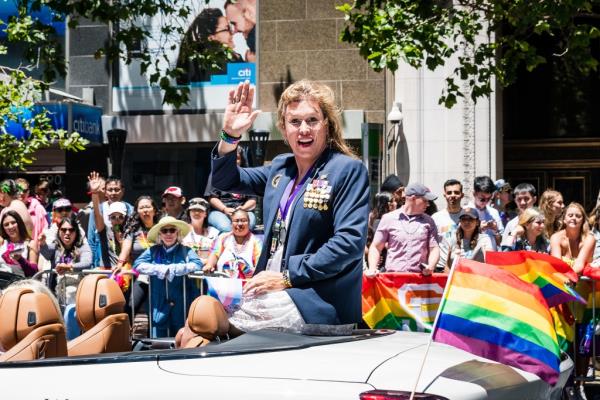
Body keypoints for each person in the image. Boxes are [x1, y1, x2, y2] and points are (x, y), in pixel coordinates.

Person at [204, 79, 368, 335]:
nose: (304, 129)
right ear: (283, 127)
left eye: (312, 120)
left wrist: (287, 276)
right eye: (295, 122)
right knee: (193, 327)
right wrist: (230, 134)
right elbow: (225, 180)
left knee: (206, 322)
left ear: (327, 124)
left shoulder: (347, 169)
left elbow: (349, 243)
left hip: (313, 301)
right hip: (265, 291)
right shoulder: (281, 168)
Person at [550, 203, 596, 399]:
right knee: (562, 339)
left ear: (583, 219)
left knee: (583, 340)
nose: (574, 218)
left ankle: (580, 384)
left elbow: (579, 264)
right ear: (564, 218)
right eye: (570, 215)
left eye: (578, 215)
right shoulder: (556, 237)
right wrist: (565, 278)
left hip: (583, 295)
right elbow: (556, 262)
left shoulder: (589, 239)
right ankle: (564, 384)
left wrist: (570, 275)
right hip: (562, 293)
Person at [133, 216, 202, 337]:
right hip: (158, 305)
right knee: (158, 341)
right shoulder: (153, 250)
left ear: (177, 233)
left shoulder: (186, 250)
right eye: (165, 231)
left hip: (182, 304)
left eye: (172, 230)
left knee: (182, 340)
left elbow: (197, 264)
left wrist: (175, 269)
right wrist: (159, 269)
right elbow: (137, 264)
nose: (168, 234)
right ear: (160, 234)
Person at [367, 182, 439, 276]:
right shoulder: (388, 218)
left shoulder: (429, 221)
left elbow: (434, 248)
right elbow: (376, 247)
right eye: (425, 200)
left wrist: (431, 266)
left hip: (419, 280)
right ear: (413, 198)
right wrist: (372, 268)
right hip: (393, 280)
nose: (428, 204)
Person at [176, 8, 243, 84]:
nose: (232, 32)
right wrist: (241, 61)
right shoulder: (220, 62)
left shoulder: (198, 61)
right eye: (227, 28)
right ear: (211, 37)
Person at [206, 146, 257, 232]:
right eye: (230, 158)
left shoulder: (248, 175)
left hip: (243, 210)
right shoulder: (216, 174)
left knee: (250, 224)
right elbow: (212, 198)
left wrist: (243, 209)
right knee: (226, 227)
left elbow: (253, 200)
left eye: (237, 158)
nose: (233, 161)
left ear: (241, 160)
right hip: (220, 211)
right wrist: (224, 209)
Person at [38, 216, 92, 297]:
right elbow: (46, 254)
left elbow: (87, 263)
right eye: (63, 230)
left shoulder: (83, 247)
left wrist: (69, 267)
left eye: (71, 230)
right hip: (58, 292)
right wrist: (42, 243)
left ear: (76, 232)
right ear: (59, 232)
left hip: (78, 293)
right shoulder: (55, 247)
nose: (67, 233)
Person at [203, 209, 261, 279]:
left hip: (246, 287)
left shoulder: (256, 241)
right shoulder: (223, 238)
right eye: (236, 221)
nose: (240, 224)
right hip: (222, 287)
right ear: (231, 224)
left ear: (249, 223)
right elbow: (214, 254)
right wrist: (209, 265)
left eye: (243, 220)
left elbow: (259, 266)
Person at [432, 179, 464, 270]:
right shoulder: (436, 218)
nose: (453, 195)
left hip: (462, 267)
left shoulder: (468, 216)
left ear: (462, 195)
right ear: (445, 195)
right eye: (449, 193)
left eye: (456, 192)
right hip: (440, 267)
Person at [0, 210, 38, 277]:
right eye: (6, 225)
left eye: (13, 222)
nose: (10, 227)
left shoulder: (30, 244)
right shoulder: (2, 242)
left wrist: (20, 259)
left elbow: (33, 272)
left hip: (20, 284)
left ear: (19, 223)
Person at [182, 197, 219, 263]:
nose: (196, 213)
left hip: (208, 270)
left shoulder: (213, 232)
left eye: (200, 210)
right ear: (189, 213)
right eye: (194, 210)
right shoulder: (182, 231)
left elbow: (217, 252)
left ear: (205, 214)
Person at [471, 176, 504, 249]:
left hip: (491, 256)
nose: (485, 202)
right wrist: (478, 230)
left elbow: (500, 243)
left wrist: (496, 231)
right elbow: (461, 240)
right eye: (482, 199)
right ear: (474, 194)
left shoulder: (494, 212)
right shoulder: (466, 211)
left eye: (489, 199)